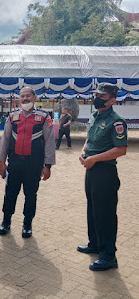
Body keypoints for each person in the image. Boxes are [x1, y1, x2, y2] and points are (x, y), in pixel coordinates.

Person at [77, 83, 127, 271]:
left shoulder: (116, 121)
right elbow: (89, 138)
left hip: (105, 172)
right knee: (92, 208)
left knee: (105, 214)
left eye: (102, 97)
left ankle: (108, 257)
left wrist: (95, 159)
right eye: (96, 95)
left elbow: (121, 149)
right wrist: (83, 151)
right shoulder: (94, 116)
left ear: (113, 100)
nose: (97, 98)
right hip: (91, 169)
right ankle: (95, 244)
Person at [0, 87, 56, 238]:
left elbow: (49, 142)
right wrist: (2, 162)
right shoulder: (12, 116)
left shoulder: (43, 117)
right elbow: (5, 139)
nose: (25, 98)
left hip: (34, 164)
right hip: (14, 162)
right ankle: (6, 221)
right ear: (19, 99)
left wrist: (47, 166)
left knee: (30, 195)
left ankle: (27, 223)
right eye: (22, 96)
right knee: (10, 193)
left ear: (34, 97)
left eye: (28, 95)